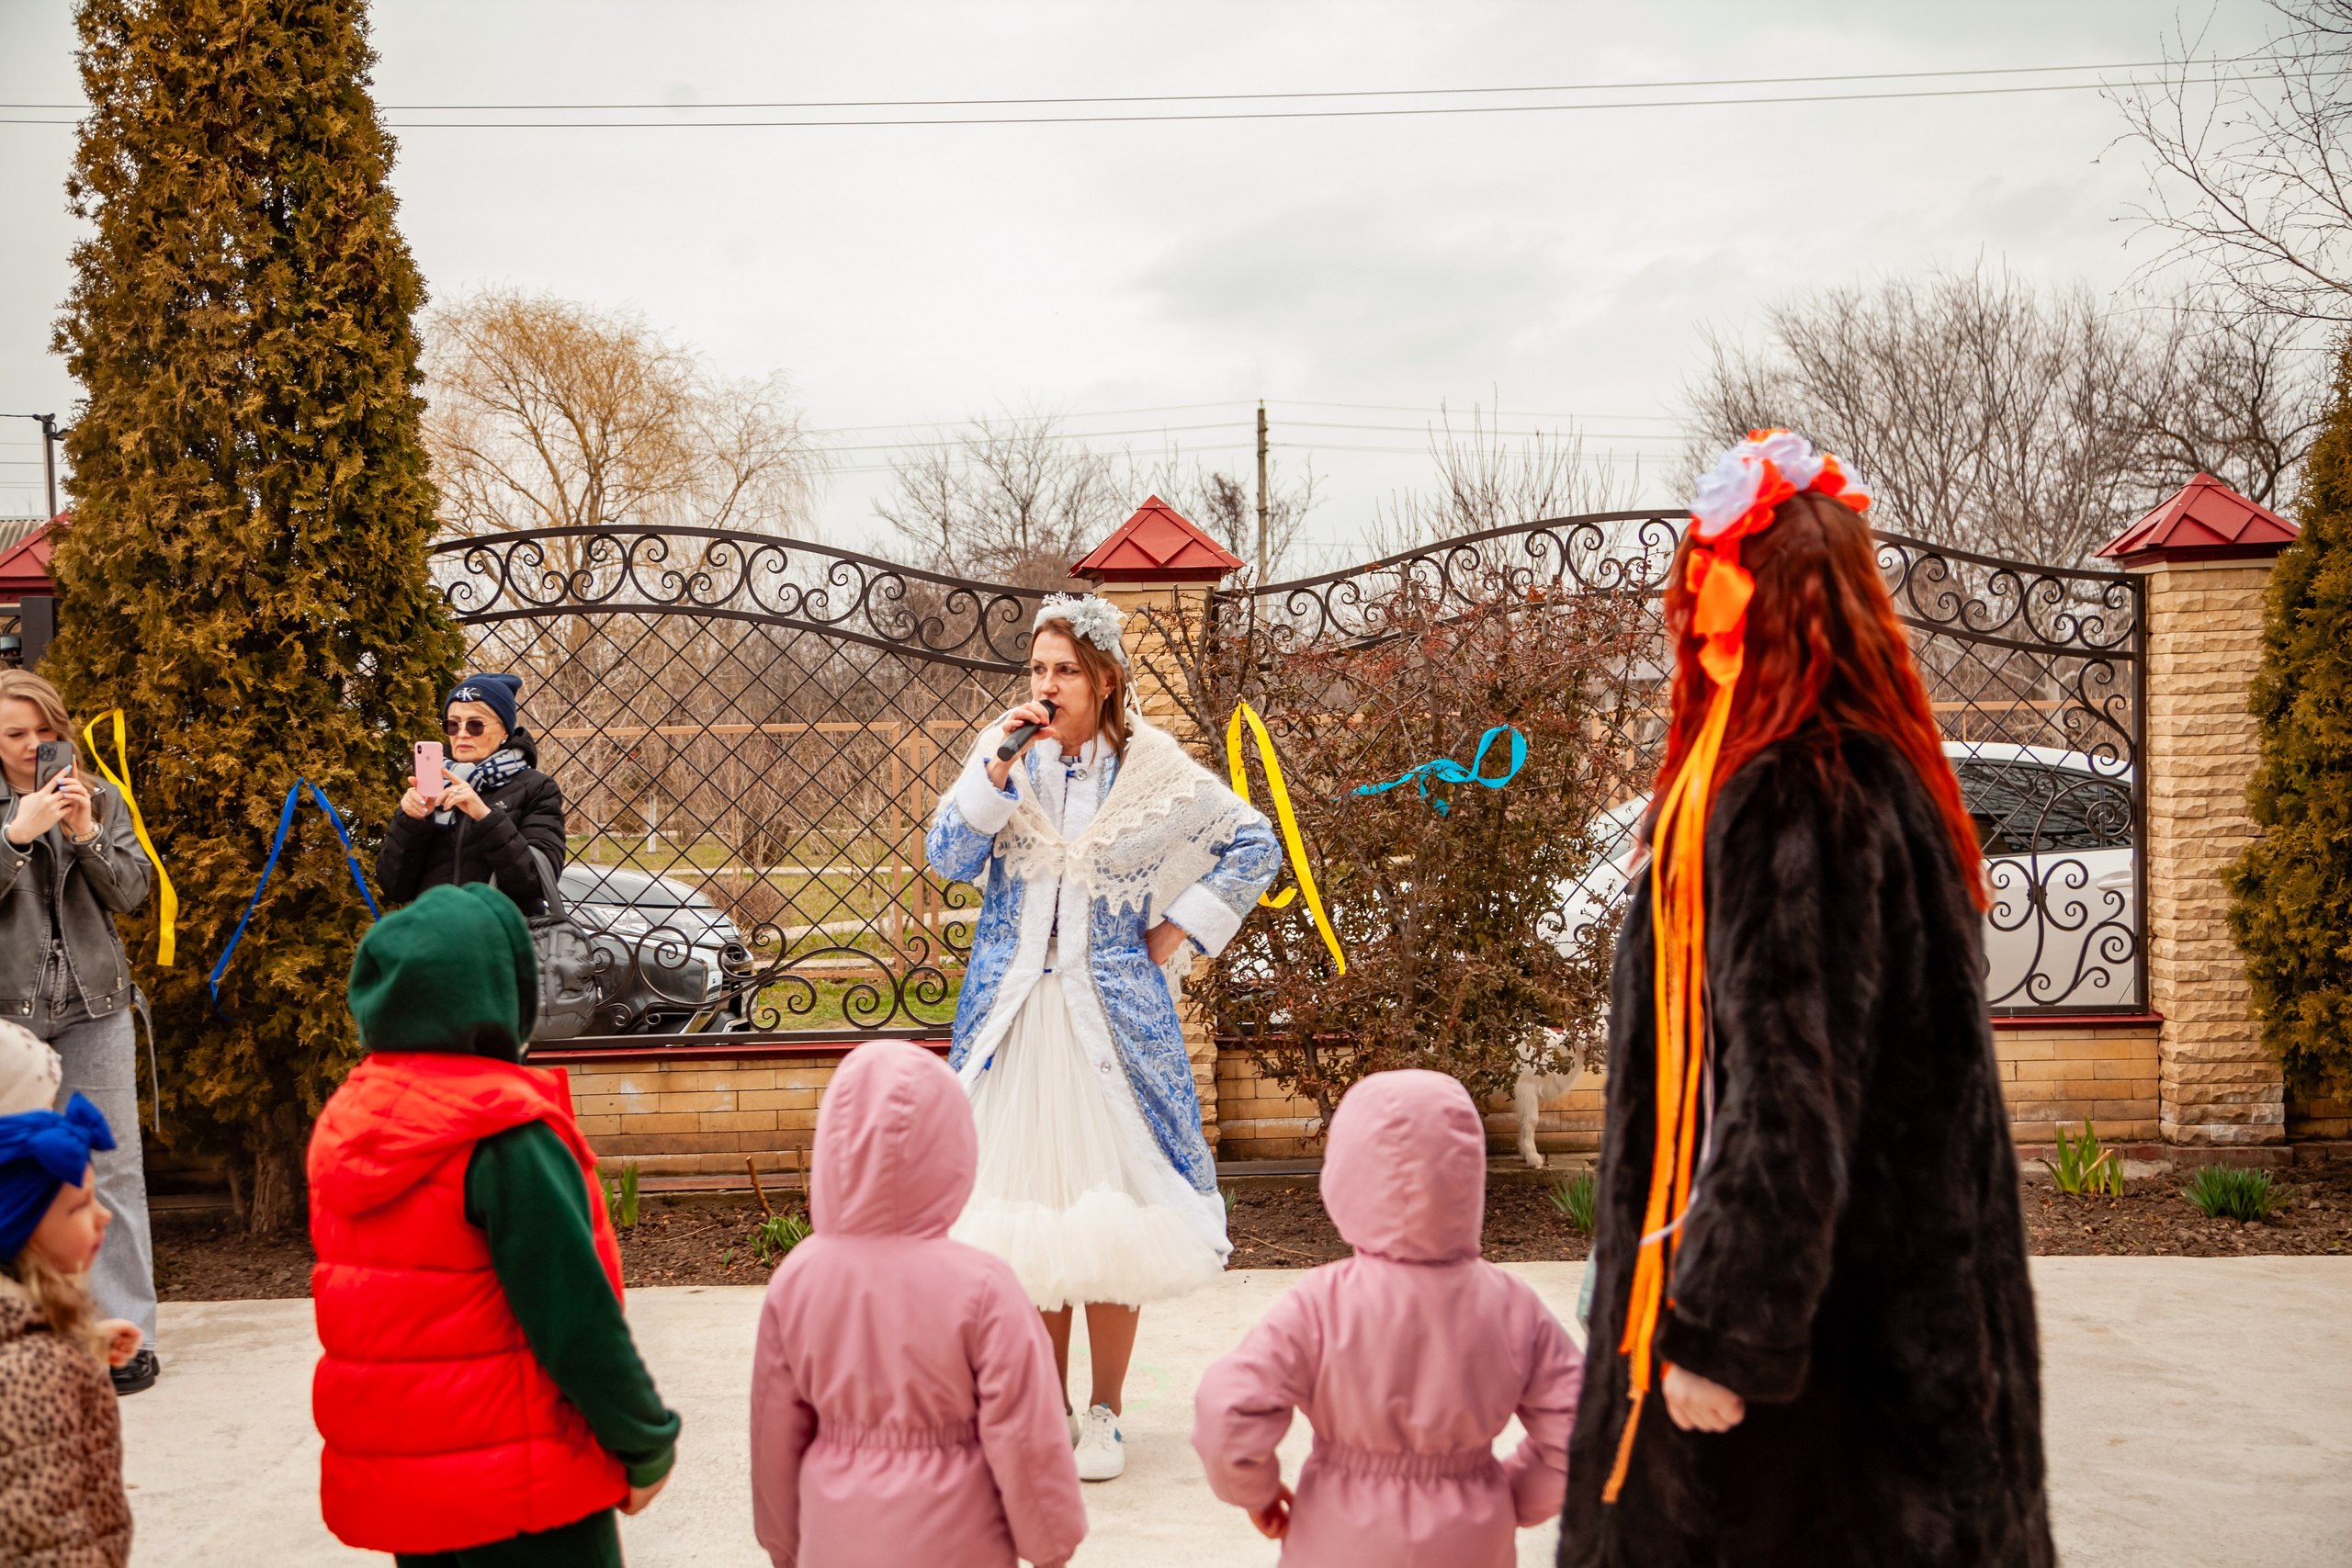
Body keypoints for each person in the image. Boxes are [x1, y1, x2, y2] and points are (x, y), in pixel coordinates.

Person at [1560, 433, 2052, 1566]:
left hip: (1822, 1378)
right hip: (1886, 1327)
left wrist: (1723, 1332)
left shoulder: (1798, 797)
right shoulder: (1870, 777)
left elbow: (1789, 1089)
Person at [924, 592, 1281, 1482]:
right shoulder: (1005, 757)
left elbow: (1253, 843)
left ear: (1103, 681)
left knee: (1112, 1221)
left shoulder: (1153, 769)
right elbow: (945, 856)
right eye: (1037, 669)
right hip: (1017, 1028)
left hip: (1113, 1028)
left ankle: (1106, 1414)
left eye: (1063, 672)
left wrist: (1180, 927)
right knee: (1035, 1227)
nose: (1045, 686)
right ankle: (1042, 1413)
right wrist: (993, 773)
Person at [307, 883, 679, 1567]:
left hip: (414, 1495)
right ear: (502, 992)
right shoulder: (504, 1135)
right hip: (528, 1491)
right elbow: (573, 1316)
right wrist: (644, 1438)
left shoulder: (353, 1125)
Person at [1193, 1069, 1583, 1565]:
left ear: (1346, 1175)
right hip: (1472, 1539)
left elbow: (1229, 1408)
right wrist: (1520, 1497)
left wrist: (1254, 1491)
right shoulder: (1511, 1304)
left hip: (1337, 1537)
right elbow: (1581, 1422)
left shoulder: (1320, 1304)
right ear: (1467, 1172)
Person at [750, 1039, 1088, 1568]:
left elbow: (773, 1427)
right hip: (959, 1538)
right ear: (953, 1147)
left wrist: (782, 1542)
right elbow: (1024, 1433)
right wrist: (1051, 1540)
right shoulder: (985, 1287)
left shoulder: (798, 1279)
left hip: (834, 1536)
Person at [0, 669, 158, 1396]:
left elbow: (133, 893)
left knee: (113, 1169)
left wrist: (86, 832)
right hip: (9, 1023)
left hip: (94, 1009)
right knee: (17, 1177)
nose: (35, 747)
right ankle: (30, 1341)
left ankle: (127, 1338)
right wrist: (15, 837)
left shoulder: (101, 798)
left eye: (45, 731)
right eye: (15, 735)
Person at [0, 1070, 143, 1567]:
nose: (103, 1217)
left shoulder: (26, 1345)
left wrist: (79, 1348)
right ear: (25, 1235)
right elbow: (46, 1540)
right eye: (80, 1206)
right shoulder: (28, 1373)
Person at [379, 673, 566, 912]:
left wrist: (486, 817)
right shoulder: (431, 784)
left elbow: (535, 881)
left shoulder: (536, 788)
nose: (462, 733)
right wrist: (410, 822)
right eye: (453, 724)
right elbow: (394, 887)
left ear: (505, 732)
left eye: (476, 725)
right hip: (434, 938)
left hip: (500, 940)